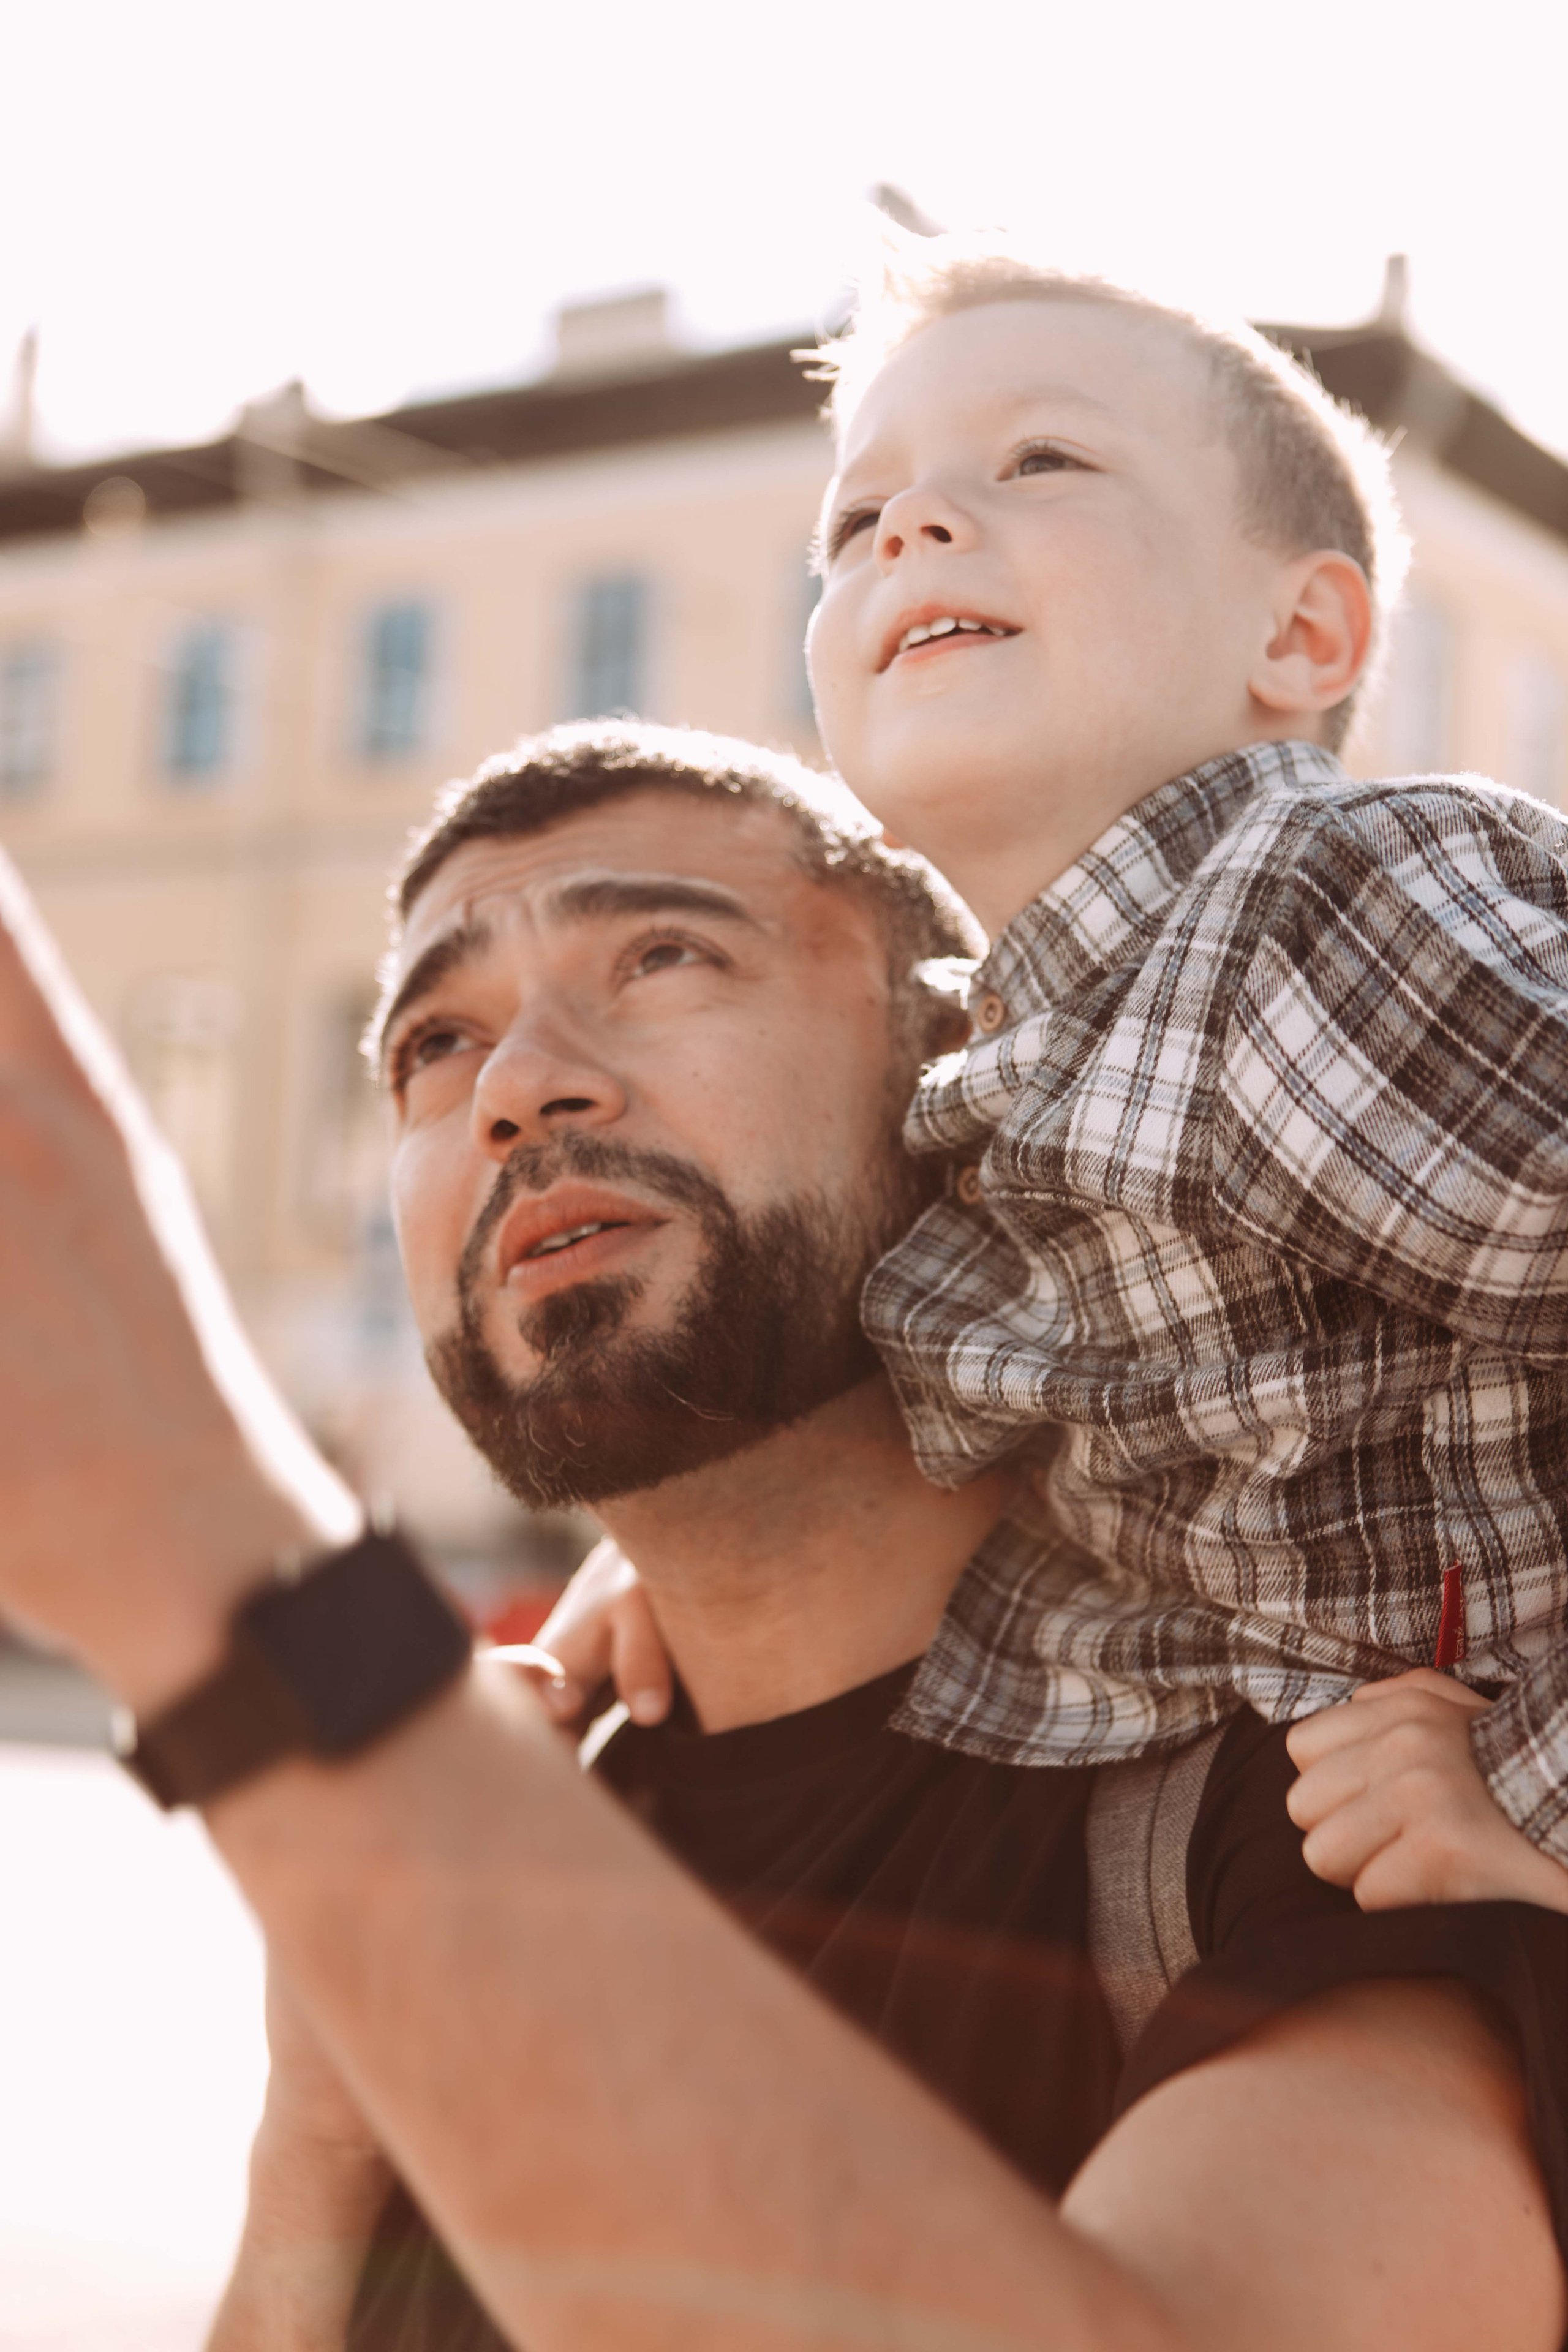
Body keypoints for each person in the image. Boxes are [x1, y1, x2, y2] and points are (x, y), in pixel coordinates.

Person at [101, 721, 1559, 2351]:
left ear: (957, 1080)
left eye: (661, 956)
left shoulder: (1335, 1806)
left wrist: (191, 1544)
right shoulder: (507, 1858)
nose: (518, 1086)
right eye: (435, 1043)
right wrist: (320, 2129)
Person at [557, 225, 1568, 1920]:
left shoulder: (1309, 914)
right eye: (854, 524)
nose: (914, 526)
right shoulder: (994, 1059)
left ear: (1304, 635)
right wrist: (701, 1557)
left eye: (1040, 460)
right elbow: (1007, 1459)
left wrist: (1541, 1797)